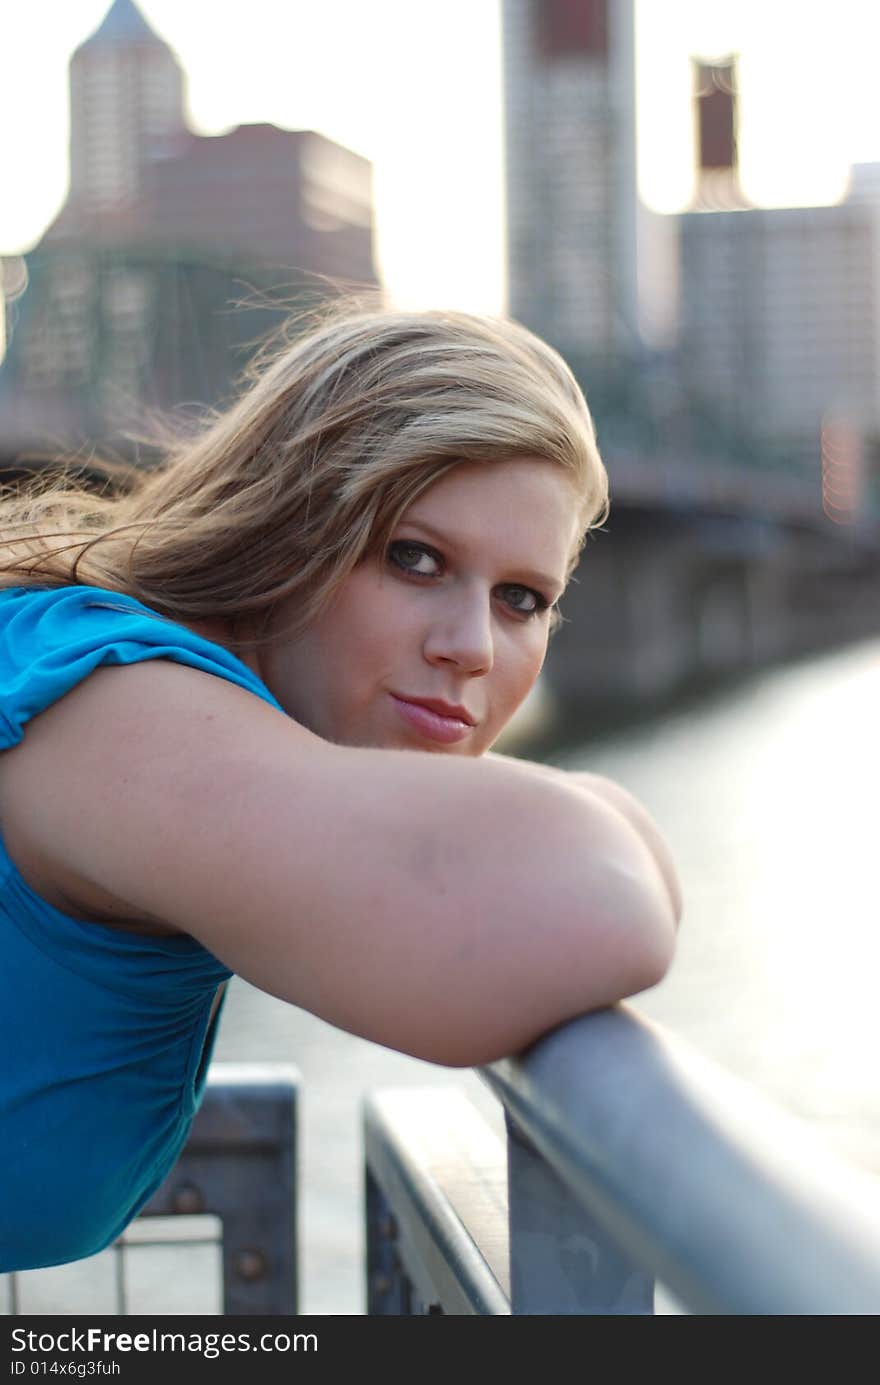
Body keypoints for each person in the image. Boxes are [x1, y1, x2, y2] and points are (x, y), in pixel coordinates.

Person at [0, 300, 681, 1273]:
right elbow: (588, 902)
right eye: (413, 558)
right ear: (287, 527)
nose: (471, 646)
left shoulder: (102, 676)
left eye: (521, 598)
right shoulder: (120, 712)